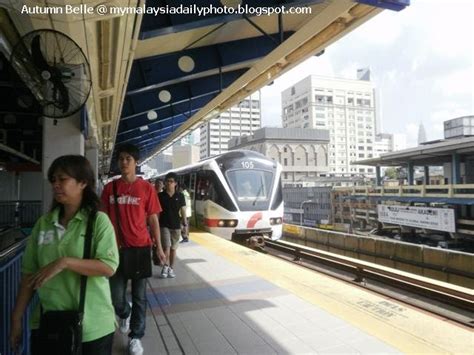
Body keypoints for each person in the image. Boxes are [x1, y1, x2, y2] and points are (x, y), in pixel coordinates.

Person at [10, 155, 119, 355]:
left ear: (83, 183)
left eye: (62, 179)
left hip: (92, 327)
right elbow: (29, 275)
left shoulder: (98, 221)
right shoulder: (43, 224)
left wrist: (65, 262)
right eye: (53, 180)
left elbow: (108, 266)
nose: (56, 185)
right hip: (49, 323)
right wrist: (16, 318)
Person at [101, 144, 165, 355]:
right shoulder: (110, 189)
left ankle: (136, 336)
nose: (124, 162)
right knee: (115, 297)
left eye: (128, 158)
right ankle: (124, 312)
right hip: (115, 251)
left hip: (140, 249)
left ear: (136, 162)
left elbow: (153, 219)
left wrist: (160, 248)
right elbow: (102, 218)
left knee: (140, 297)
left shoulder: (146, 188)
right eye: (121, 158)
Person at [158, 172, 186, 279]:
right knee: (167, 247)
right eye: (167, 181)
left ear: (175, 183)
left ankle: (171, 268)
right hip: (164, 225)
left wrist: (185, 223)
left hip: (176, 226)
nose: (169, 183)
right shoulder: (160, 196)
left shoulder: (180, 196)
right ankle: (165, 266)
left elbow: (183, 210)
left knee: (174, 249)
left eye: (171, 181)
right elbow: (157, 212)